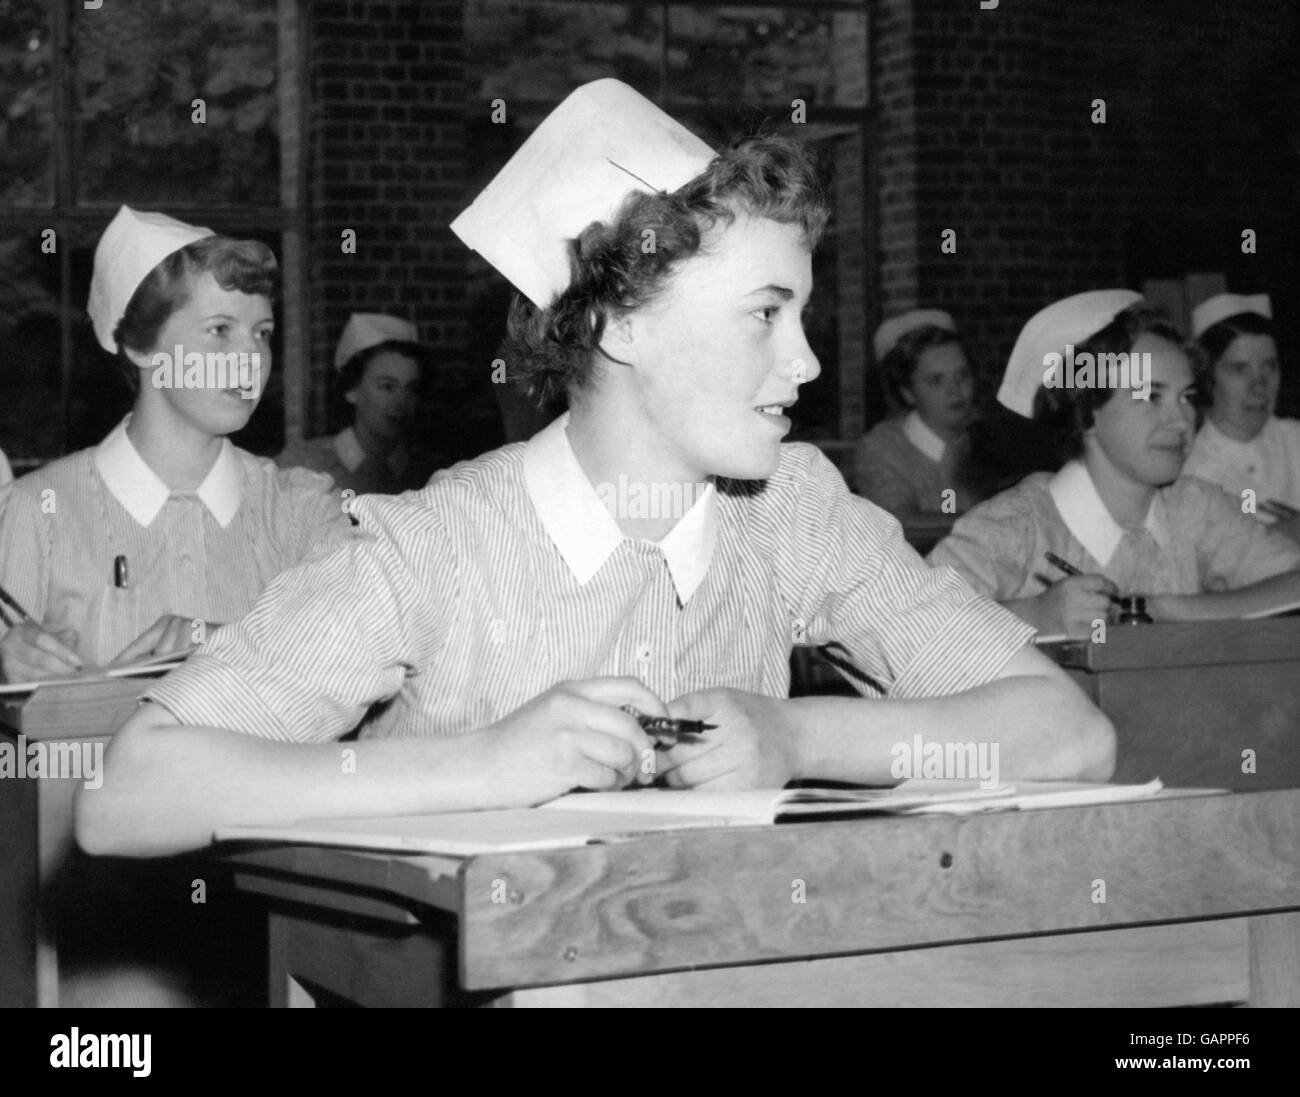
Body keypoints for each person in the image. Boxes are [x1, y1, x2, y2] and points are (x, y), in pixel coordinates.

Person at [79, 80, 1113, 858]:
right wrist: (490, 763)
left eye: (799, 314)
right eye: (765, 313)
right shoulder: (435, 547)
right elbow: (128, 793)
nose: (802, 360)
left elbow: (1067, 734)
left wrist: (793, 730)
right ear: (620, 321)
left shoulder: (794, 511)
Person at [0, 206, 352, 682]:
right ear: (141, 346)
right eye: (220, 330)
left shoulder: (302, 510)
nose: (251, 357)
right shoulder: (37, 511)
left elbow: (363, 661)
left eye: (262, 333)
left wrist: (224, 643)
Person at [929, 290, 1300, 638]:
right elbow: (906, 624)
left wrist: (1165, 608)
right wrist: (1036, 615)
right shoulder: (1017, 526)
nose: (1181, 420)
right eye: (1150, 396)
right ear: (1086, 410)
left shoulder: (1193, 507)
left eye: (1186, 397)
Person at [277, 313, 446, 494]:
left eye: (411, 389)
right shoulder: (302, 465)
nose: (401, 402)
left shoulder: (432, 475)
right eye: (387, 387)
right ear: (352, 390)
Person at [1181, 293, 1300, 545]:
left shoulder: (1295, 440)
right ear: (1207, 379)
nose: (1260, 386)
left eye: (1270, 367)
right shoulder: (1186, 465)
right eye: (1240, 369)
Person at [852, 310, 992, 521]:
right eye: (937, 381)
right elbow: (900, 525)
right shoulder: (881, 450)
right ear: (907, 392)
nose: (955, 391)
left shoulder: (990, 437)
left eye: (962, 375)